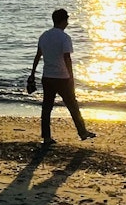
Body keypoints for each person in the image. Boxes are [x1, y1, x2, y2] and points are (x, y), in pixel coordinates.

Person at [28, 8, 95, 145]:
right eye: (67, 20)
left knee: (47, 108)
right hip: (62, 77)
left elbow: (37, 56)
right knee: (72, 105)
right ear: (63, 21)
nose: (68, 23)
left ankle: (46, 137)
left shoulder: (44, 36)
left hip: (47, 76)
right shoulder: (64, 37)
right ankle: (82, 132)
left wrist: (32, 73)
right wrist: (71, 76)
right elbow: (67, 58)